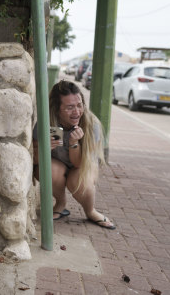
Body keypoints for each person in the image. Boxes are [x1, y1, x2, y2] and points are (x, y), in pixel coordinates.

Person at [33, 80, 115, 229]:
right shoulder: (47, 123)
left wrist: (73, 143)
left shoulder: (91, 124)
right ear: (57, 109)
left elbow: (79, 164)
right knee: (48, 170)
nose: (77, 112)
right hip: (58, 166)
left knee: (78, 181)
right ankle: (60, 202)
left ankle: (90, 211)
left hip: (82, 165)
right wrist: (44, 149)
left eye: (79, 105)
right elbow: (34, 161)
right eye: (70, 107)